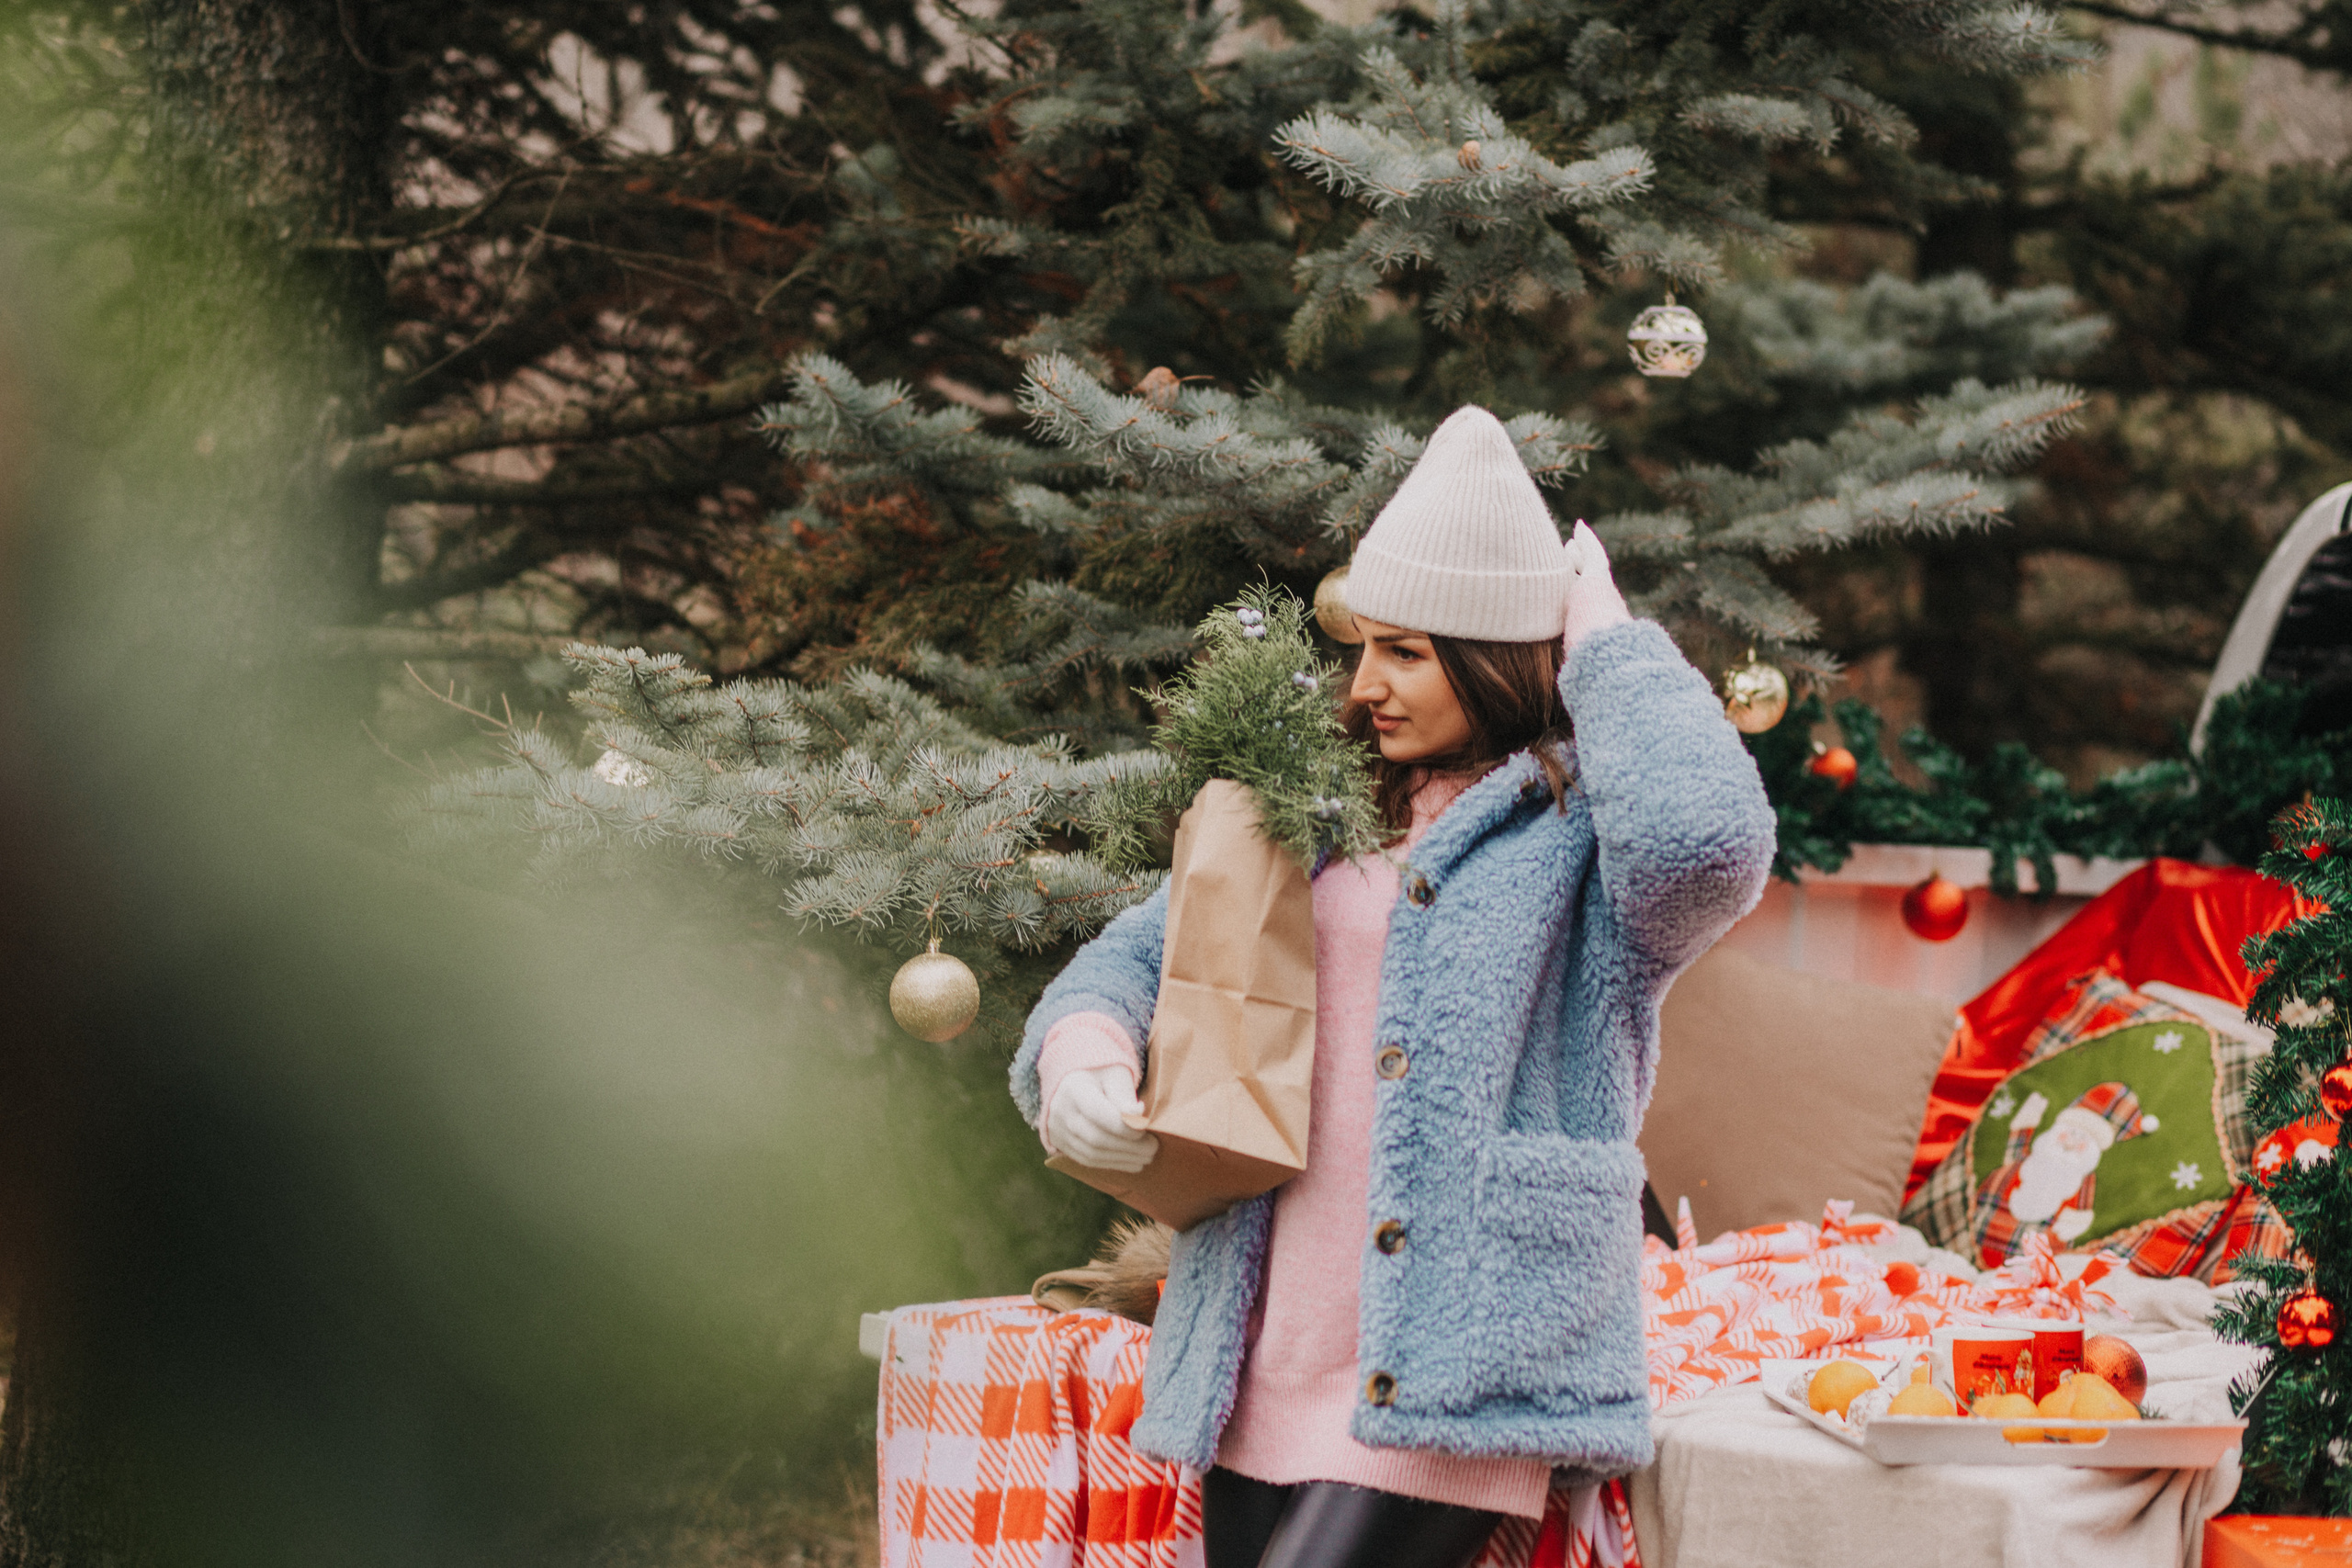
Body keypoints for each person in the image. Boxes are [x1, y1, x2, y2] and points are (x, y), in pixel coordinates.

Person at [1009, 405, 1777, 1568]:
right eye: (1363, 646)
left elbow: (1708, 847)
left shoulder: (1582, 843)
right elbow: (1126, 961)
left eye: (1407, 652)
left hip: (1460, 1366)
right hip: (1263, 1348)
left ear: (1501, 656)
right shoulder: (1308, 808)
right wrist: (1085, 1057)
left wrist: (1609, 644)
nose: (1365, 684)